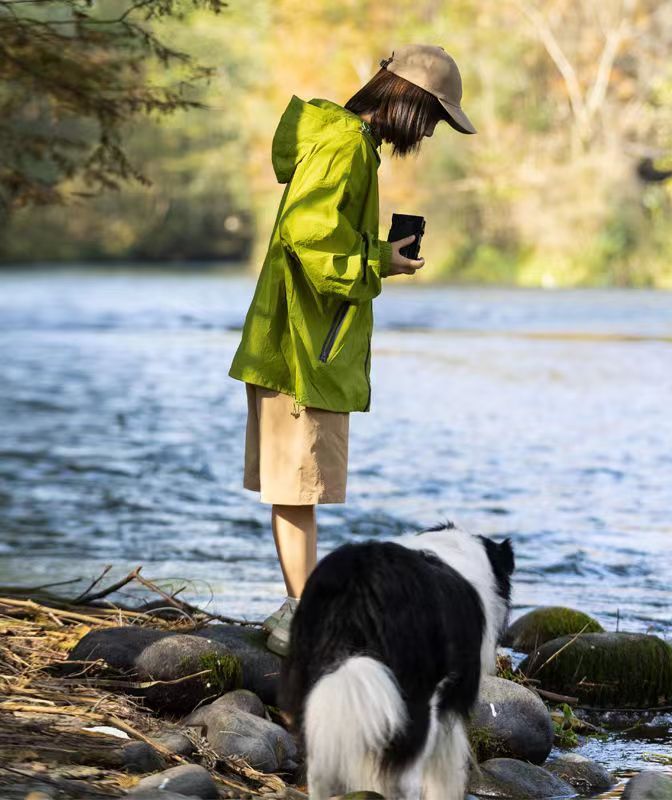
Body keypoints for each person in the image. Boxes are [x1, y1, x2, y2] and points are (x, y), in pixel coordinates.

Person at [228, 44, 477, 655]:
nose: (428, 134)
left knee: (296, 488)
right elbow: (307, 240)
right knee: (300, 485)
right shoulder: (345, 147)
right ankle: (302, 621)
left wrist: (373, 257)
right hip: (303, 350)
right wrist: (378, 260)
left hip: (302, 343)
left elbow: (317, 235)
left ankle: (301, 611)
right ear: (409, 105)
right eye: (434, 119)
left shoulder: (343, 143)